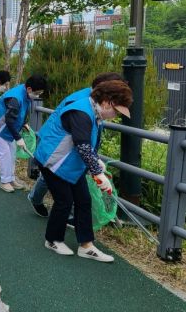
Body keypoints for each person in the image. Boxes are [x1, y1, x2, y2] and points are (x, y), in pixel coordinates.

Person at [35, 80, 132, 263]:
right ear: (106, 102)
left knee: (84, 200)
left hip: (70, 164)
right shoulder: (81, 111)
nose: (116, 116)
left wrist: (96, 163)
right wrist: (97, 171)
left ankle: (86, 246)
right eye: (116, 111)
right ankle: (53, 240)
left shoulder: (94, 111)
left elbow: (88, 144)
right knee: (64, 201)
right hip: (52, 161)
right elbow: (83, 145)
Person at [27, 72, 125, 218]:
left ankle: (64, 212)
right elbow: (81, 139)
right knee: (53, 174)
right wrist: (95, 165)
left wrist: (93, 158)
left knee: (57, 176)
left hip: (63, 142)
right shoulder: (83, 101)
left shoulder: (94, 99)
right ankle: (49, 206)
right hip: (56, 142)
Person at [0, 74, 48, 193]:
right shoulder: (15, 97)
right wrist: (18, 138)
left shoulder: (25, 92)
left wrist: (23, 123)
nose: (38, 95)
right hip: (0, 127)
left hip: (9, 127)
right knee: (5, 154)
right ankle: (4, 181)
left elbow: (21, 112)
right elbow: (9, 120)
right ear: (29, 89)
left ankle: (11, 178)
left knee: (12, 153)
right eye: (37, 93)